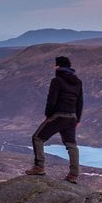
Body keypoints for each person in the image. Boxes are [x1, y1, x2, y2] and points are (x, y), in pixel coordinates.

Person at [24, 55, 83, 183]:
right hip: (72, 117)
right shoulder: (78, 82)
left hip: (59, 115)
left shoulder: (57, 80)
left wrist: (49, 114)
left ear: (58, 66)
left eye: (55, 65)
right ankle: (74, 175)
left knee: (37, 138)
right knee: (71, 145)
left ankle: (39, 166)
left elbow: (51, 100)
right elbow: (80, 102)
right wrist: (77, 119)